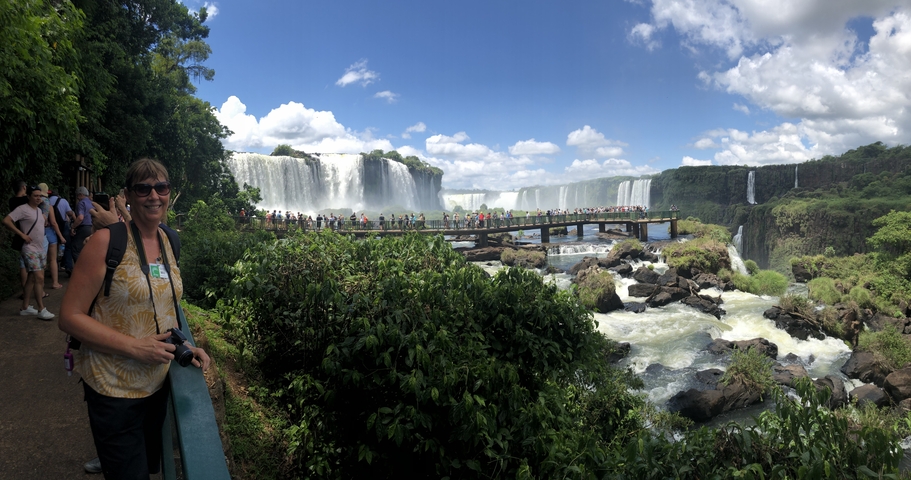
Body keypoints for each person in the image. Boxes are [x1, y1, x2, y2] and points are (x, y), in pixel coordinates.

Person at [59, 159, 211, 479]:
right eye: (143, 188)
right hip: (113, 389)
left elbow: (165, 305)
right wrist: (134, 347)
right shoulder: (106, 242)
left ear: (169, 192)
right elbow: (69, 317)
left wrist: (184, 345)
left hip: (156, 387)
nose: (153, 195)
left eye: (161, 187)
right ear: (128, 195)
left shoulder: (170, 241)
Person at [3, 185, 55, 319]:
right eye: (35, 196)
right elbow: (6, 221)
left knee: (32, 278)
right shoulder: (22, 209)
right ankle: (41, 309)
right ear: (29, 196)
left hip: (40, 248)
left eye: (40, 196)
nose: (38, 198)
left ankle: (24, 307)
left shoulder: (38, 211)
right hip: (29, 249)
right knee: (39, 278)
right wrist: (22, 235)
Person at [38, 183, 65, 289]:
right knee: (53, 260)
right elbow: (53, 222)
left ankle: (41, 284)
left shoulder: (33, 203)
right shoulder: (48, 204)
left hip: (39, 233)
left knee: (41, 260)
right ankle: (55, 283)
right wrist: (61, 236)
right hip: (50, 233)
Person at [70, 186, 94, 265]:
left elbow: (80, 217)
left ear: (80, 194)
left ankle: (80, 268)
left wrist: (73, 226)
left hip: (83, 228)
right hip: (92, 228)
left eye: (77, 195)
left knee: (75, 248)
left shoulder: (81, 203)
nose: (77, 198)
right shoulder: (91, 203)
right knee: (87, 249)